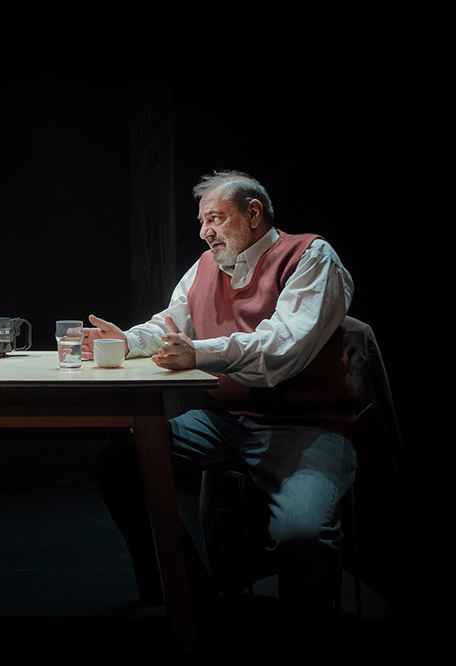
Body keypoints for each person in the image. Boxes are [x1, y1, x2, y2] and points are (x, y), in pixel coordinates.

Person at [85, 170, 356, 649]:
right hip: (224, 422)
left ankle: (307, 642)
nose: (204, 232)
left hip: (305, 424)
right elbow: (169, 325)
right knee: (121, 462)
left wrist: (198, 353)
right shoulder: (205, 267)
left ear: (253, 213)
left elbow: (283, 348)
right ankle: (197, 606)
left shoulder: (310, 256)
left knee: (302, 535)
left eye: (214, 218)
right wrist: (126, 341)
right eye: (201, 222)